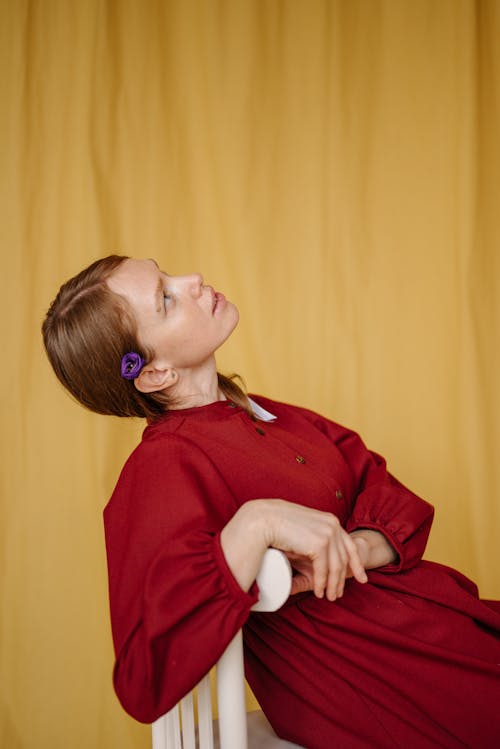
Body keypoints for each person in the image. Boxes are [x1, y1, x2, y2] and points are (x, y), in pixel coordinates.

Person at [42, 255, 500, 749]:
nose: (192, 279)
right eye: (166, 298)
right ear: (154, 373)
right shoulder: (162, 467)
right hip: (378, 680)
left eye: (168, 272)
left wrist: (359, 548)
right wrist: (255, 524)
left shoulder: (269, 415)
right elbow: (144, 676)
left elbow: (387, 488)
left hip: (435, 625)